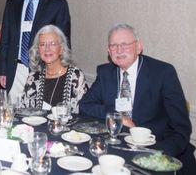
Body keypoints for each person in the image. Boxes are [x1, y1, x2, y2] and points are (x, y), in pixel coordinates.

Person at [79, 24, 195, 174]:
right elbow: (85, 105)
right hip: (117, 150)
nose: (119, 50)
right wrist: (116, 116)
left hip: (157, 150)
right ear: (109, 51)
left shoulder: (162, 73)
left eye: (125, 44)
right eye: (114, 46)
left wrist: (154, 155)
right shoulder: (105, 73)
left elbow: (181, 129)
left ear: (138, 47)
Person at [0, 0, 71, 100]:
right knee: (13, 114)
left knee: (40, 115)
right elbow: (5, 39)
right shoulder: (12, 3)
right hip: (15, 70)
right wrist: (2, 70)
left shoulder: (58, 5)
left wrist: (60, 72)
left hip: (44, 70)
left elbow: (64, 43)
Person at [21, 25, 88, 113]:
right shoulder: (33, 78)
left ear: (61, 49)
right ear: (38, 50)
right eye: (42, 44)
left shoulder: (75, 76)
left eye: (52, 44)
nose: (47, 49)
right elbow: (24, 111)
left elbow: (84, 114)